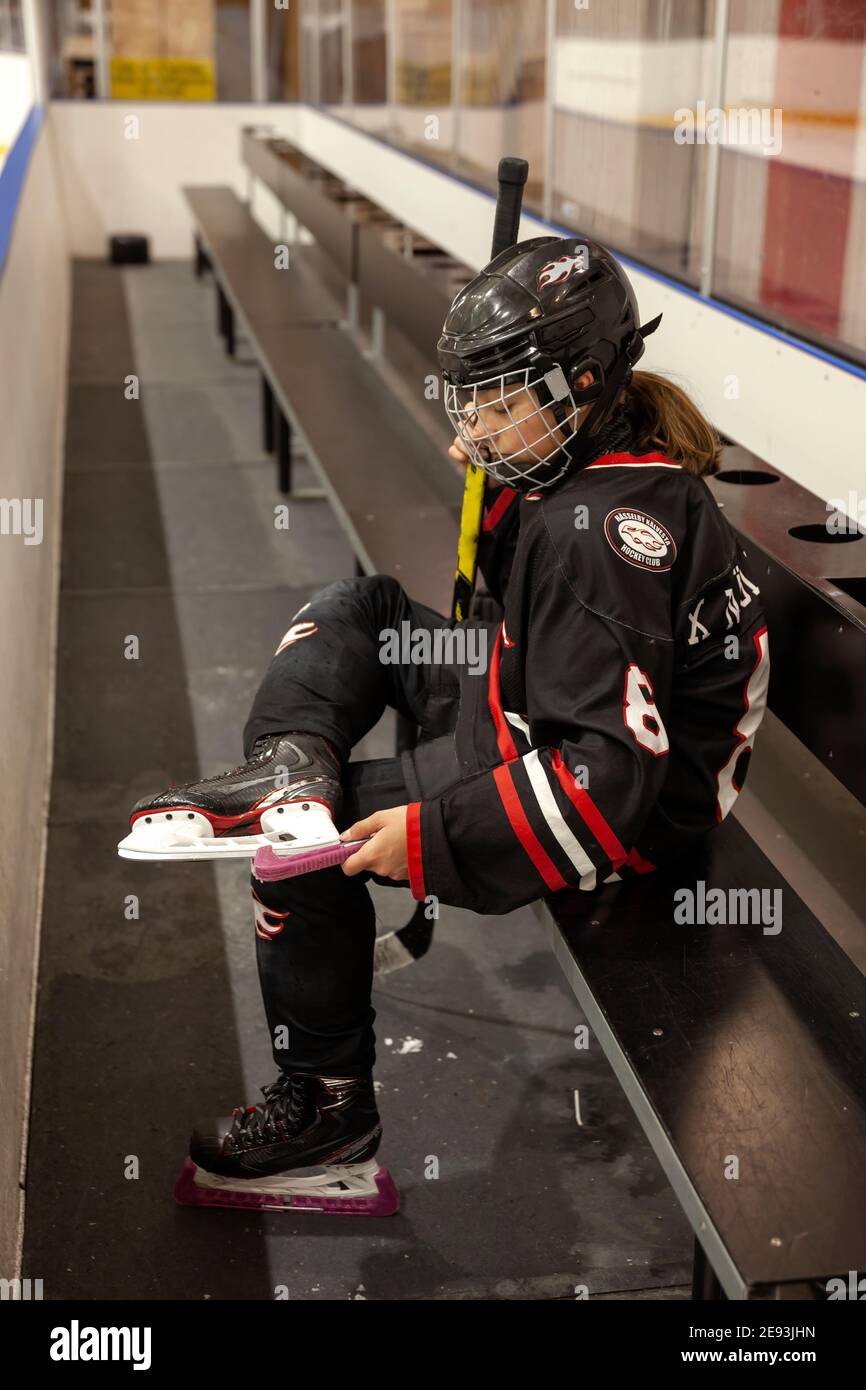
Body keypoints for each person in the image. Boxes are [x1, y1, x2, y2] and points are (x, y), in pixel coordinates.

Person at [120, 235, 770, 1214]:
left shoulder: (595, 533)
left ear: (582, 383)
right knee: (367, 608)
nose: (473, 422)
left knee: (305, 865)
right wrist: (505, 466)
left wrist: (426, 840)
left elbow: (606, 786)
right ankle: (290, 770)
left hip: (623, 819)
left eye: (499, 398)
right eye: (470, 395)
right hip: (542, 702)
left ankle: (328, 1120)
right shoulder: (598, 456)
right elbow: (548, 647)